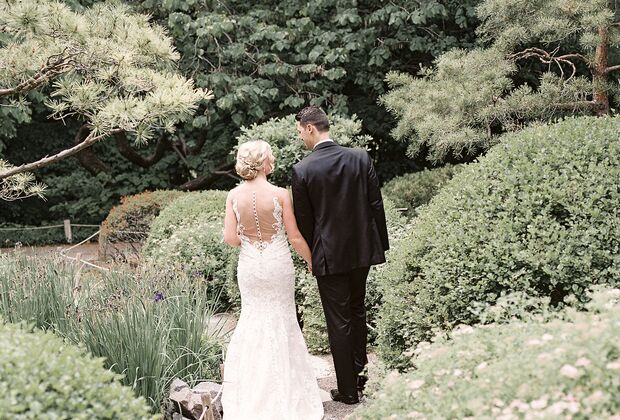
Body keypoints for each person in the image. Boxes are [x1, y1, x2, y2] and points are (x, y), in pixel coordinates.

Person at [292, 106, 389, 405]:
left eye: (300, 132)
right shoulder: (360, 158)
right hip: (362, 251)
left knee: (338, 321)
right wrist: (380, 245)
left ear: (310, 128)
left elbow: (305, 222)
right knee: (357, 310)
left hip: (329, 256)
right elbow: (375, 204)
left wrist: (313, 256)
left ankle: (348, 391)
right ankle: (361, 377)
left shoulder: (303, 170)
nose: (301, 137)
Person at [221, 140, 324, 420]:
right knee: (283, 320)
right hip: (278, 264)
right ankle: (285, 394)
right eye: (270, 157)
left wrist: (249, 242)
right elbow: (294, 237)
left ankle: (251, 394)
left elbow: (230, 238)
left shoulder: (233, 195)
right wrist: (311, 260)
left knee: (251, 318)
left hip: (250, 266)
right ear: (264, 162)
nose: (273, 160)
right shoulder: (280, 194)